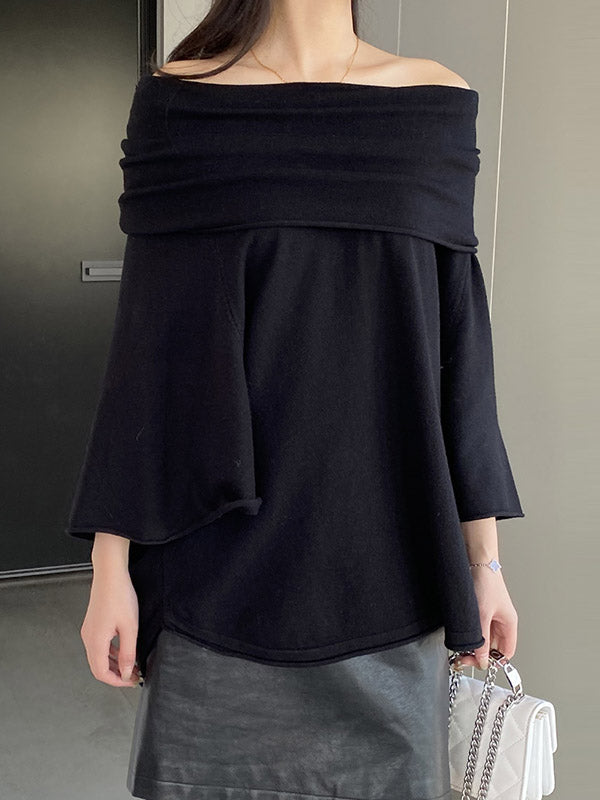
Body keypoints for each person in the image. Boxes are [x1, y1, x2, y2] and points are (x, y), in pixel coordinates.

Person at [66, 1, 525, 798]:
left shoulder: (432, 107)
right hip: (217, 576)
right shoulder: (182, 106)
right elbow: (144, 360)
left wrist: (484, 561)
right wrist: (111, 565)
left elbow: (458, 356)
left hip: (391, 569)